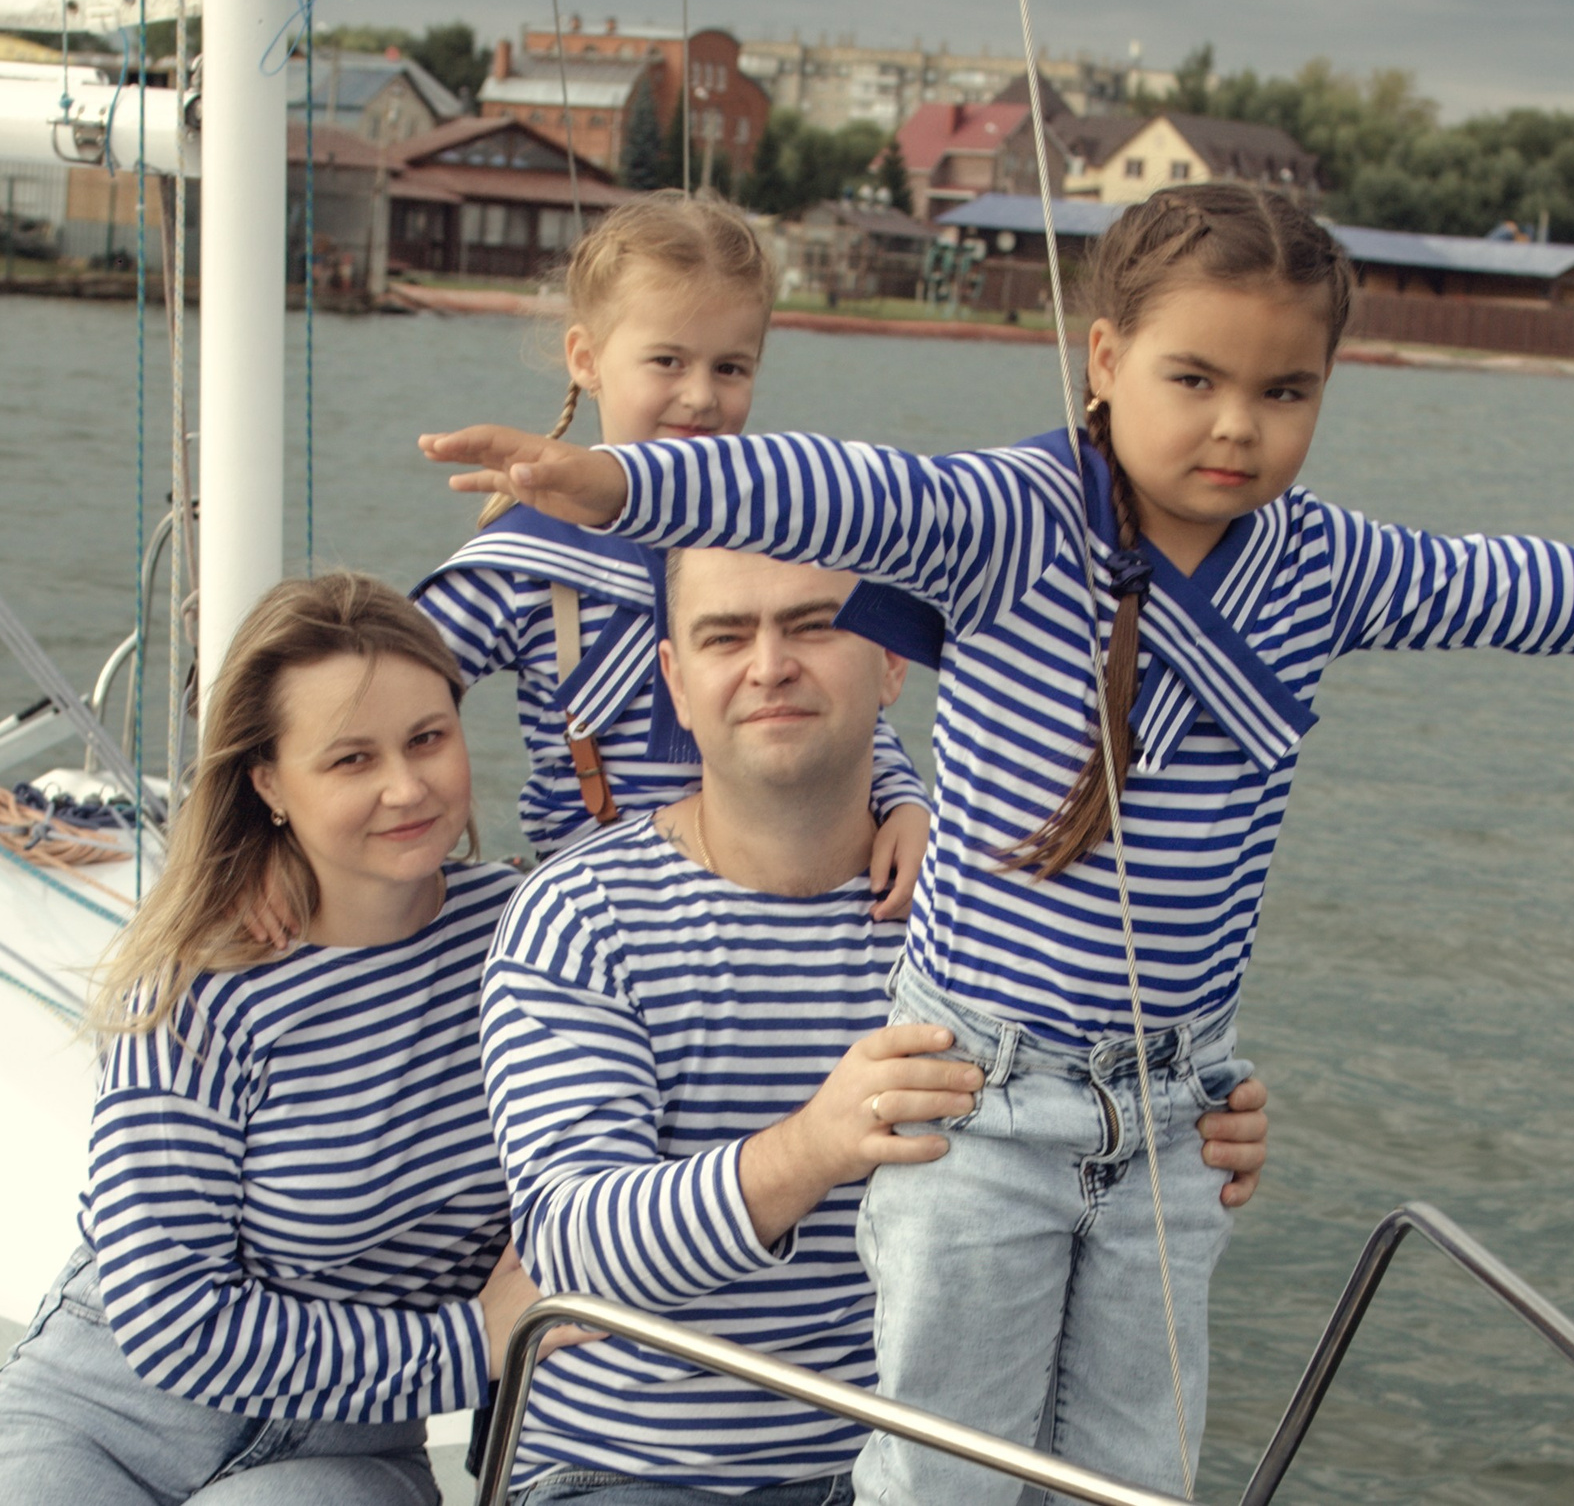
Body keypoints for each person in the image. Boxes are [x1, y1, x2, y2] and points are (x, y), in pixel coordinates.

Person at [419, 183, 1574, 1505]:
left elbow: (1507, 583)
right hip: (986, 1098)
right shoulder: (1013, 520)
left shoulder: (1322, 565)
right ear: (1103, 359)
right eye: (1196, 380)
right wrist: (607, 485)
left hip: (1168, 1108)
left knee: (1131, 1470)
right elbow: (827, 489)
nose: (1238, 426)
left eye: (1285, 391)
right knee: (948, 1462)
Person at [475, 545, 1269, 1506]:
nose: (769, 664)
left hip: (931, 1456)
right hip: (640, 1472)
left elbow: (1091, 1152)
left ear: (894, 661)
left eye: (814, 624)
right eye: (726, 636)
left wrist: (1179, 1130)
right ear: (676, 684)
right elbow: (571, 1245)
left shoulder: (998, 919)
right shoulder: (580, 916)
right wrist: (810, 1147)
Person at [0, 574, 538, 1506]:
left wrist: (868, 800)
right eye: (350, 760)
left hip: (342, 1452)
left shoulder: (537, 940)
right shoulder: (205, 978)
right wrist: (475, 1341)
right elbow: (172, 1318)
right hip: (105, 1416)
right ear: (268, 780)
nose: (407, 785)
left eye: (428, 737)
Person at [412, 190, 930, 905]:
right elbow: (386, 687)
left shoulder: (787, 532)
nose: (699, 397)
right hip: (600, 903)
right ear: (586, 358)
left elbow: (851, 695)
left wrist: (904, 799)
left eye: (730, 368)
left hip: (781, 898)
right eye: (667, 360)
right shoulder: (527, 558)